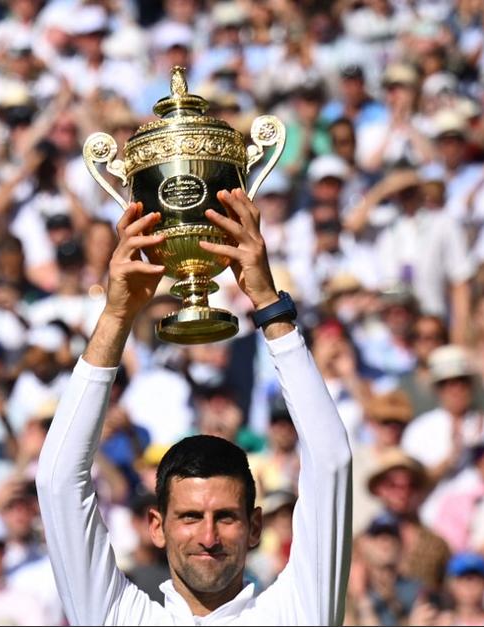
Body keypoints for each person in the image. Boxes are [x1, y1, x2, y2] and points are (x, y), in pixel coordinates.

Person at [36, 191, 352, 624]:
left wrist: (267, 303)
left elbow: (331, 462)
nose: (208, 537)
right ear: (156, 526)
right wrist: (116, 315)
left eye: (225, 517)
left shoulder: (296, 612)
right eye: (188, 516)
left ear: (255, 527)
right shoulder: (117, 617)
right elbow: (57, 483)